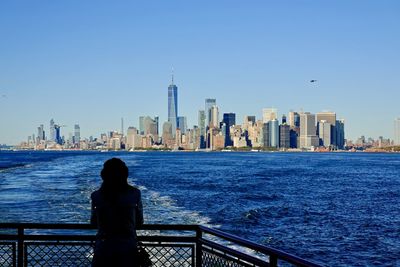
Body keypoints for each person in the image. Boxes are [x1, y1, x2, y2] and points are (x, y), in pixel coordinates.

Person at [91, 158, 144, 267]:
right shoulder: (135, 193)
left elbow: (93, 222)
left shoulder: (96, 196)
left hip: (103, 247)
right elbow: (139, 222)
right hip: (127, 248)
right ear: (125, 174)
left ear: (103, 175)